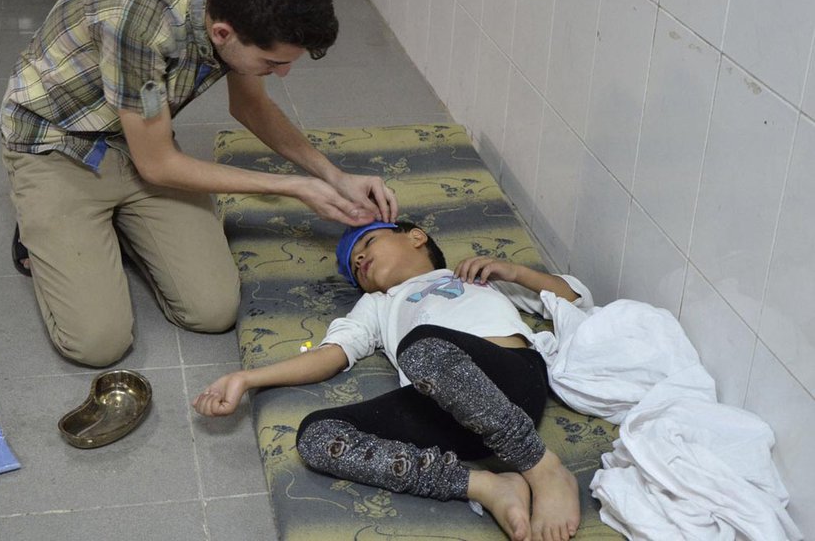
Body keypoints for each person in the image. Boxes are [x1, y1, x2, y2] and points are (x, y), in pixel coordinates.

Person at [0, 0, 397, 367]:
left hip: (139, 137)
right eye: (272, 61)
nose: (283, 73)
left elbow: (249, 106)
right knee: (99, 345)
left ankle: (114, 229)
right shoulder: (137, 24)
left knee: (213, 310)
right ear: (222, 33)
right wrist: (295, 186)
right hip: (57, 145)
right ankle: (44, 226)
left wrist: (334, 176)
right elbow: (158, 165)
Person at [193, 221, 594, 541]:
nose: (361, 259)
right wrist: (245, 378)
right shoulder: (376, 305)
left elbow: (574, 300)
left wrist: (515, 271)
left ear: (416, 237)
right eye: (355, 267)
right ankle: (484, 485)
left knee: (424, 346)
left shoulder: (473, 274)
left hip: (511, 382)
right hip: (445, 412)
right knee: (316, 436)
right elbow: (330, 356)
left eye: (368, 243)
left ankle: (541, 467)